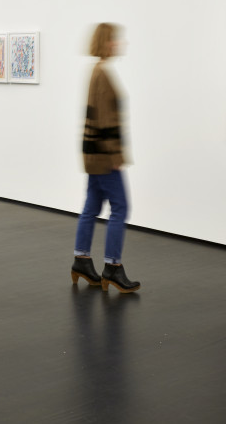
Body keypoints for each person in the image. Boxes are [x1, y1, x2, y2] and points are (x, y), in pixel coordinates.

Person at [70, 23, 140, 293]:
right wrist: (115, 155)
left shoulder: (97, 71)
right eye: (115, 39)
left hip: (94, 154)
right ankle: (112, 266)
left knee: (91, 206)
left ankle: (81, 261)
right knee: (120, 207)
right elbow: (104, 120)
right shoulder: (101, 73)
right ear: (105, 42)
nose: (120, 43)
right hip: (104, 156)